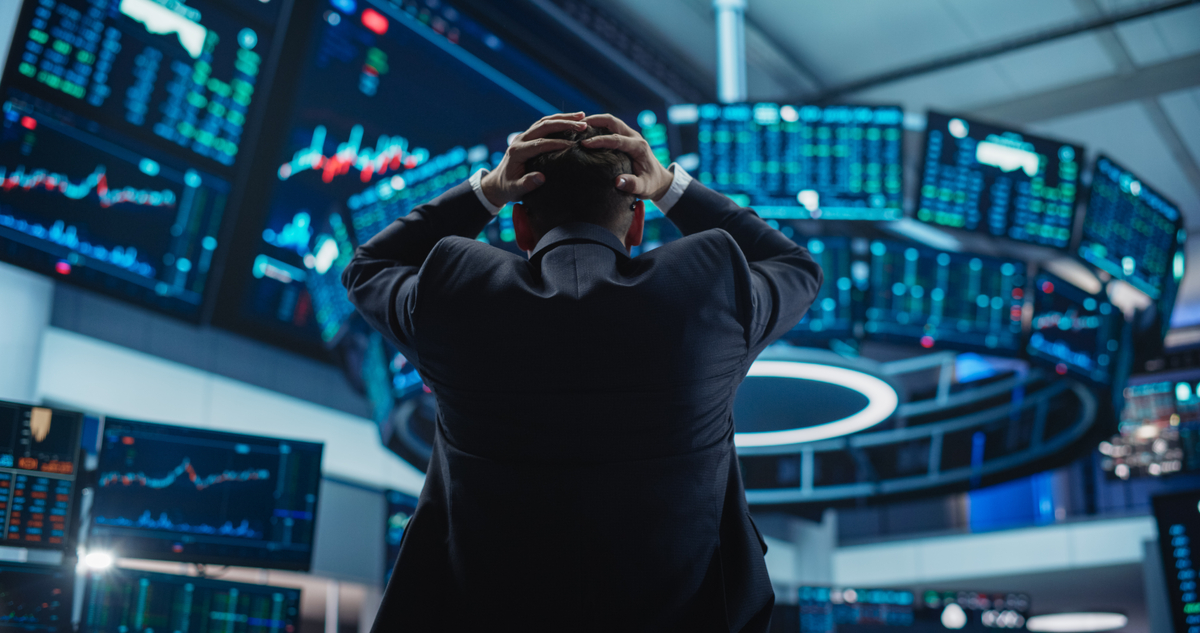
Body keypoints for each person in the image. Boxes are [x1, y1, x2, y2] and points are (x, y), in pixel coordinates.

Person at [343, 112, 823, 631]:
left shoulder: (457, 290)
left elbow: (369, 267)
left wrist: (487, 191)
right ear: (637, 223)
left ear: (519, 225)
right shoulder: (708, 287)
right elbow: (796, 268)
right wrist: (670, 187)